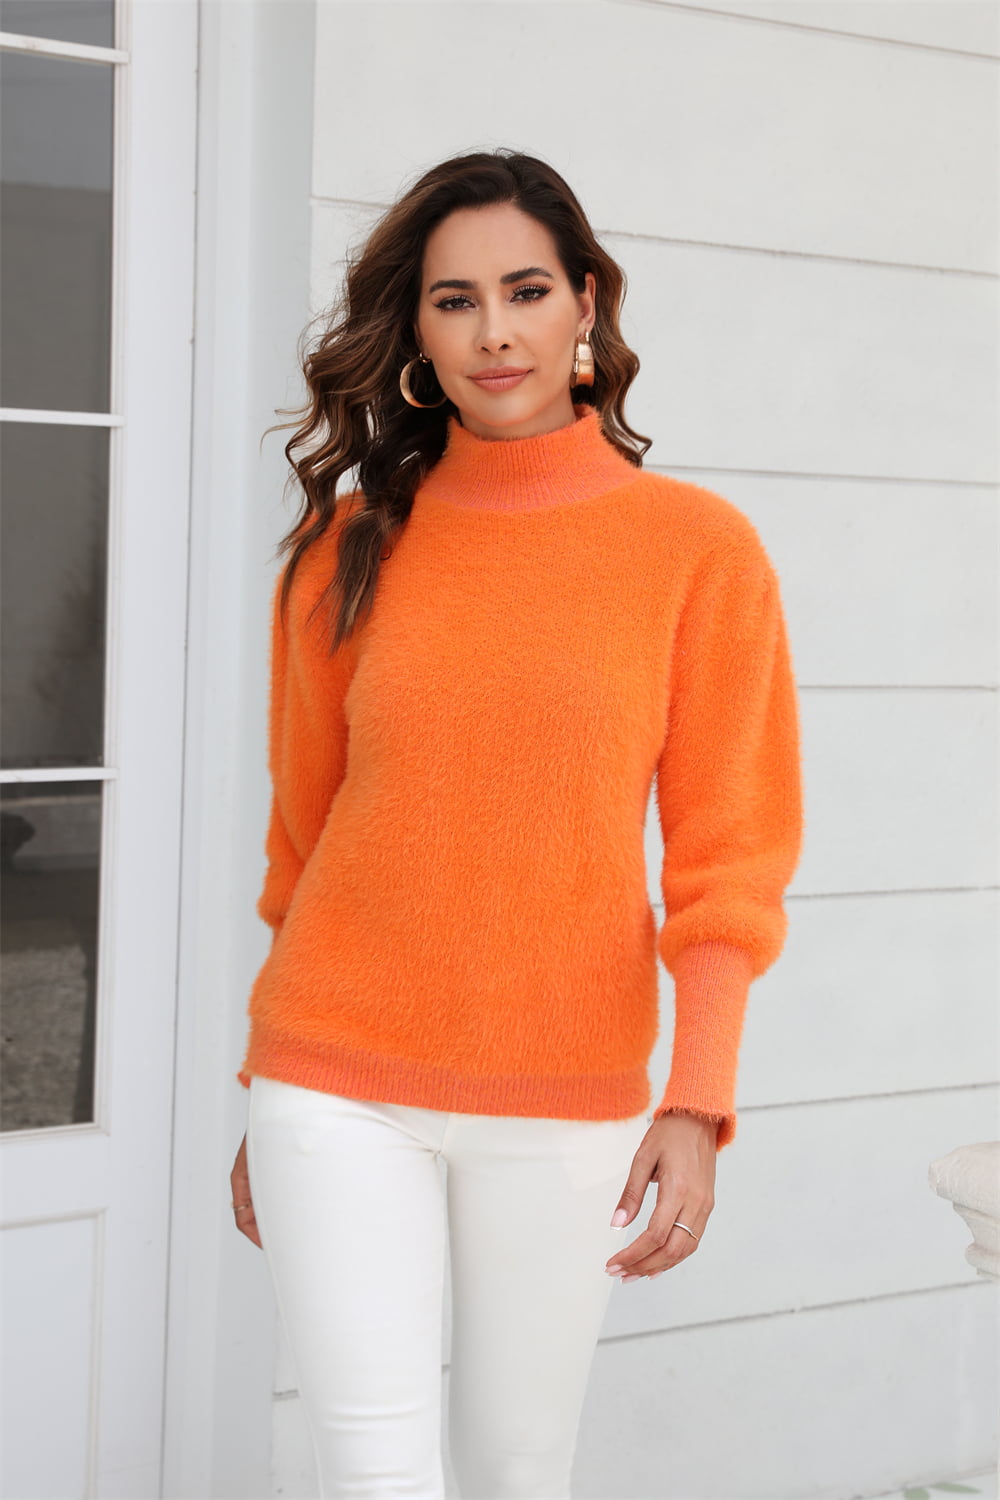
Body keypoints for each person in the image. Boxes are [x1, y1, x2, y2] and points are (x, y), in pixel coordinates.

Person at [230, 147, 804, 1499]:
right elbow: (301, 843)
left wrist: (699, 1099)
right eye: (455, 300)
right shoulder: (345, 549)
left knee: (517, 1470)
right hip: (333, 1083)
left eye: (527, 290)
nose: (495, 331)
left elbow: (729, 855)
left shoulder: (696, 550)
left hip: (567, 1091)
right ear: (417, 332)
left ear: (585, 303)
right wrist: (264, 1087)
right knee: (372, 1477)